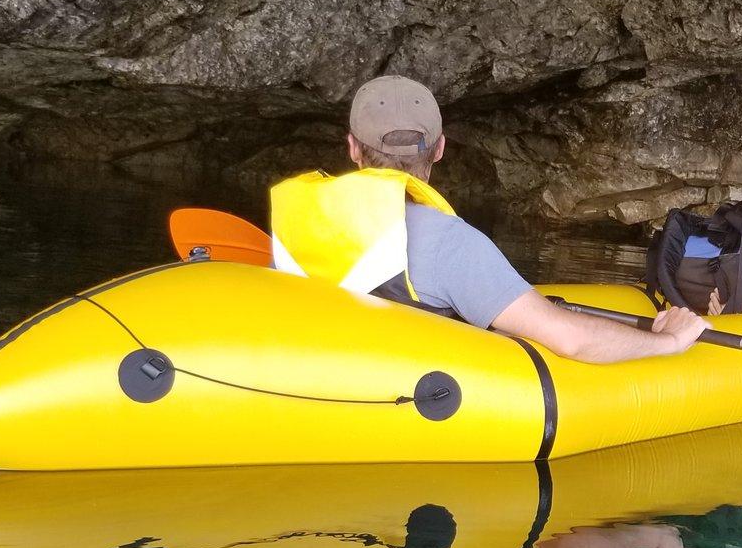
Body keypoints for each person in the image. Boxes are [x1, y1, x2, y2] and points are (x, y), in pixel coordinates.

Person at [270, 75, 709, 363]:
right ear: (439, 149)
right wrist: (668, 342)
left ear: (351, 147)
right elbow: (570, 341)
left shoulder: (298, 226)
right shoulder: (448, 243)